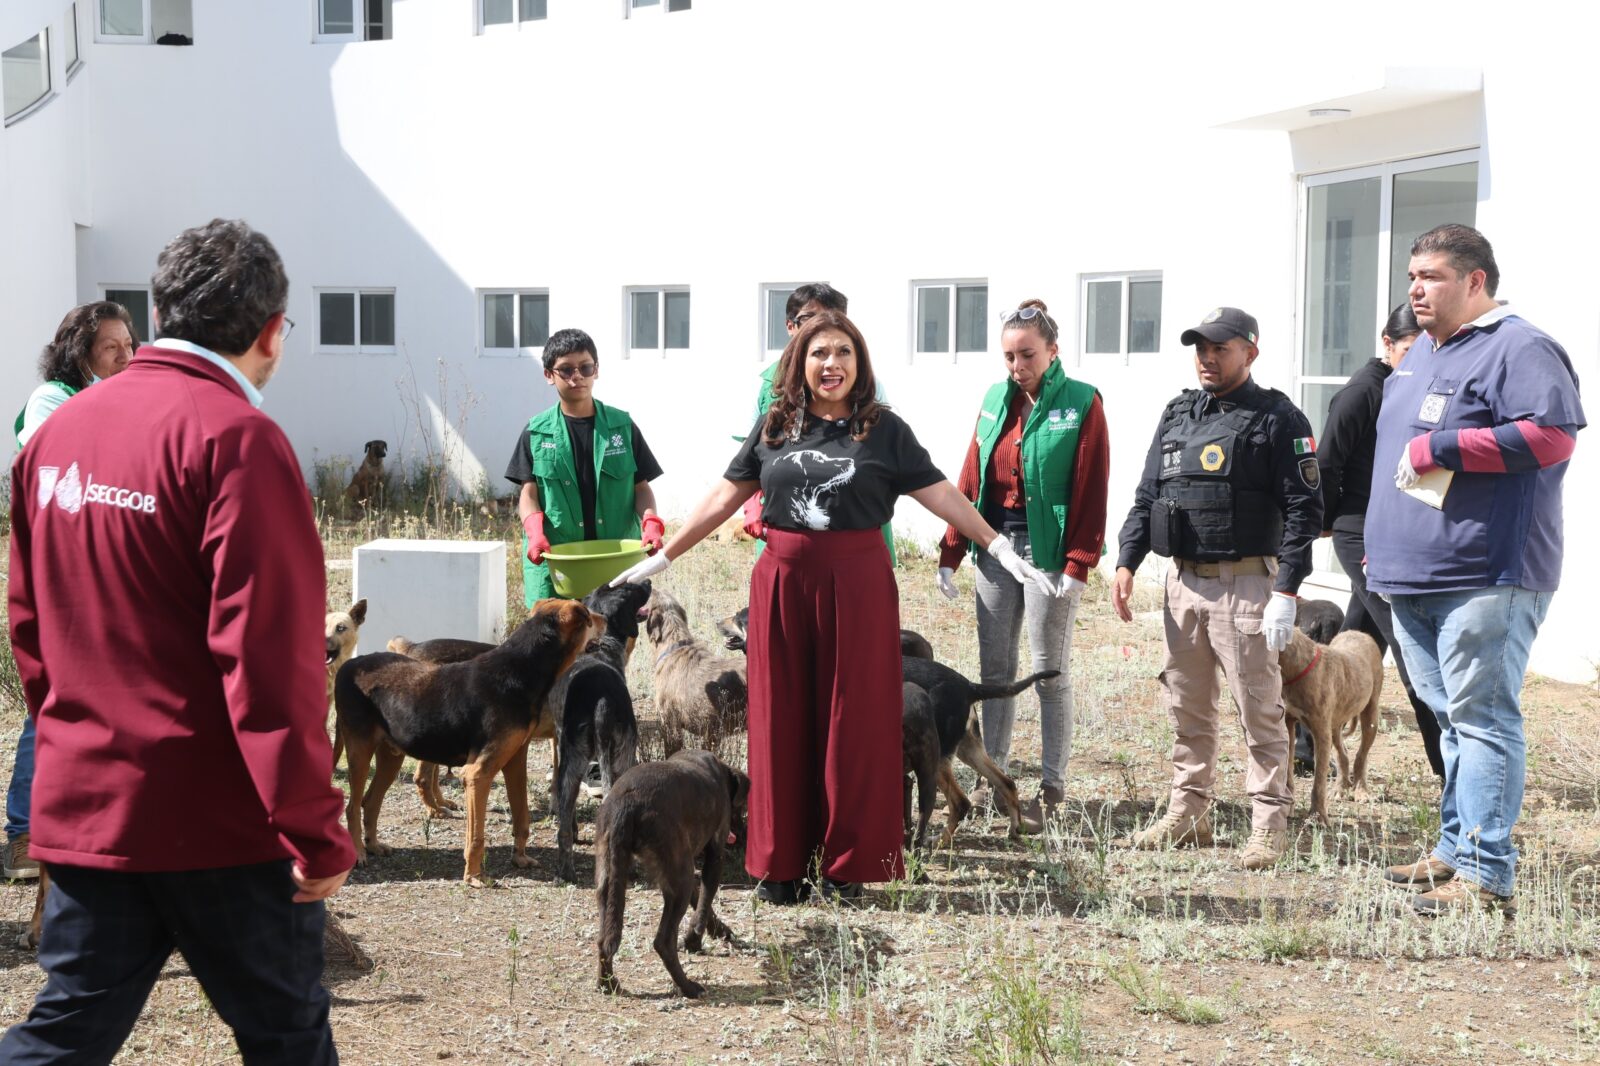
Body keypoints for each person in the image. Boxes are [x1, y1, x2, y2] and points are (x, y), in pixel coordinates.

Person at [2, 219, 355, 1063]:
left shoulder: (56, 438)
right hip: (220, 823)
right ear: (271, 332)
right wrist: (313, 824)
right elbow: (270, 662)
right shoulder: (236, 440)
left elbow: (31, 629)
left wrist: (72, 748)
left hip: (91, 805)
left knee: (66, 1030)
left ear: (160, 312)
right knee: (285, 1040)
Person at [611, 310, 1063, 902]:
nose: (832, 364)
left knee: (855, 723)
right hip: (783, 588)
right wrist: (665, 555)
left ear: (860, 363)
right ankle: (781, 865)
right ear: (800, 361)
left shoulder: (884, 430)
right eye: (820, 353)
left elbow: (941, 492)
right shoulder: (775, 425)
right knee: (780, 719)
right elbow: (726, 493)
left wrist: (996, 543)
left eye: (844, 353)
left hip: (859, 589)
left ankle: (848, 864)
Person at [1368, 224, 1583, 914]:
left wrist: (1449, 446)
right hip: (1412, 575)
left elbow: (1549, 438)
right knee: (1452, 721)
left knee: (1483, 718)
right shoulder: (1421, 355)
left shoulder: (1518, 346)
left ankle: (1487, 878)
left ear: (1475, 282)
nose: (1416, 289)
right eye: (1411, 278)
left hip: (1486, 573)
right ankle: (1456, 850)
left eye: (1430, 276)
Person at [1111, 307, 1323, 871]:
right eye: (1200, 347)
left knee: (1259, 708)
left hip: (1247, 583)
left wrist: (1288, 590)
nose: (1207, 357)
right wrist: (1127, 560)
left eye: (1219, 347)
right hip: (1183, 583)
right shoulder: (1179, 413)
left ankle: (1269, 823)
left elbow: (1305, 510)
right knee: (1187, 706)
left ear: (1249, 352)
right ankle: (1189, 815)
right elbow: (1148, 493)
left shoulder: (1279, 418)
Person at [937, 299, 1110, 831]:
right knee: (995, 672)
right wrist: (951, 548)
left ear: (1053, 351)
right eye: (1009, 356)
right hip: (995, 545)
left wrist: (1078, 565)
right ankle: (998, 777)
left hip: (1048, 552)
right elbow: (969, 476)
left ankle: (1053, 786)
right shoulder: (995, 399)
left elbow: (1091, 486)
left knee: (1048, 670)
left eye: (1028, 354)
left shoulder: (1081, 402)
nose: (1017, 367)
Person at [4, 302, 138, 883]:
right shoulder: (53, 398)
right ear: (79, 350)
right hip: (59, 579)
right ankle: (21, 835)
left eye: (131, 345)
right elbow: (55, 453)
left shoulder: (116, 398)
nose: (126, 357)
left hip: (104, 577)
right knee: (50, 703)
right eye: (113, 347)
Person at [1315, 301, 1443, 780]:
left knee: (1361, 635)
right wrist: (1324, 520)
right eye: (1408, 349)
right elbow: (1325, 462)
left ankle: (1311, 742)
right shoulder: (1361, 393)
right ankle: (1447, 767)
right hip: (1358, 529)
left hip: (1392, 524)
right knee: (1409, 640)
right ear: (1387, 344)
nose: (1418, 358)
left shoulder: (1407, 387)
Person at [505, 328, 665, 608]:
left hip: (612, 562)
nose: (576, 376)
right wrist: (534, 531)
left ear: (596, 371)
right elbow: (528, 494)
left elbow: (642, 488)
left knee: (610, 646)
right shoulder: (535, 432)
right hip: (558, 565)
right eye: (565, 370)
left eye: (585, 367)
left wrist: (650, 522)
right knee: (553, 648)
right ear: (548, 375)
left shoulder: (622, 427)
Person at [738, 283, 898, 564]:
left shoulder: (865, 387)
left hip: (851, 533)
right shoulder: (768, 387)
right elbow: (746, 463)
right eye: (810, 319)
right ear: (790, 326)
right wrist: (752, 503)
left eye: (833, 318)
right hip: (784, 528)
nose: (822, 326)